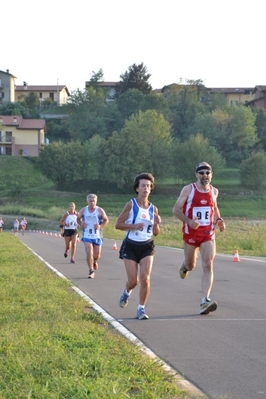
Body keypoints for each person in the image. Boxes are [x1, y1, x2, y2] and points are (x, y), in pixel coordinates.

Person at [173, 161, 226, 315]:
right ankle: (185, 264)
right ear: (196, 174)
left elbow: (214, 208)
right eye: (201, 173)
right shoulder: (188, 190)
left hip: (208, 234)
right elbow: (176, 209)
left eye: (207, 173)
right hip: (191, 233)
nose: (205, 175)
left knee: (208, 264)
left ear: (211, 174)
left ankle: (205, 300)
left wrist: (219, 220)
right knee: (191, 266)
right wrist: (189, 221)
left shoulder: (214, 191)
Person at [115, 173, 161, 320]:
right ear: (137, 188)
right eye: (143, 186)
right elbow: (118, 224)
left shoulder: (154, 209)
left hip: (147, 245)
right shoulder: (131, 205)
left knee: (145, 278)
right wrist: (134, 226)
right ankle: (126, 291)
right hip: (130, 246)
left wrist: (156, 224)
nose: (146, 189)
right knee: (133, 281)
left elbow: (156, 233)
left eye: (148, 186)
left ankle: (141, 308)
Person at [77, 194, 109, 279]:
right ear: (87, 201)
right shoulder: (84, 210)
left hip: (97, 235)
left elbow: (106, 220)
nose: (92, 203)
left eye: (93, 201)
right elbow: (78, 218)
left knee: (97, 255)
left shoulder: (100, 210)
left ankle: (94, 261)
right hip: (87, 234)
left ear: (96, 201)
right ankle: (91, 271)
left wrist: (100, 226)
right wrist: (81, 223)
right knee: (89, 251)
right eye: (90, 201)